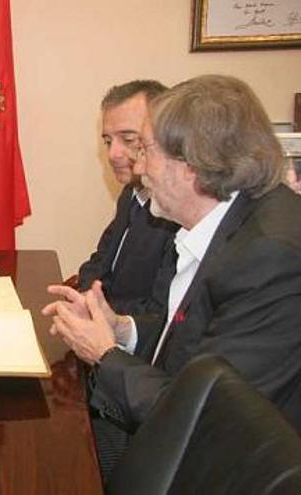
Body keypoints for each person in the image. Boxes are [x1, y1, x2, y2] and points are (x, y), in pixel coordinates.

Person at [45, 75, 301, 435]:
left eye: (145, 150)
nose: (138, 166)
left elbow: (206, 418)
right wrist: (121, 330)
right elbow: (189, 342)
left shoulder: (268, 257)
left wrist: (104, 355)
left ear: (192, 164)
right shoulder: (225, 222)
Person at [76, 80, 177, 314]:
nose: (112, 154)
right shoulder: (131, 193)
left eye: (129, 140)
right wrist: (86, 297)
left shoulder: (176, 212)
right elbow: (100, 262)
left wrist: (102, 312)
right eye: (108, 141)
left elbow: (162, 311)